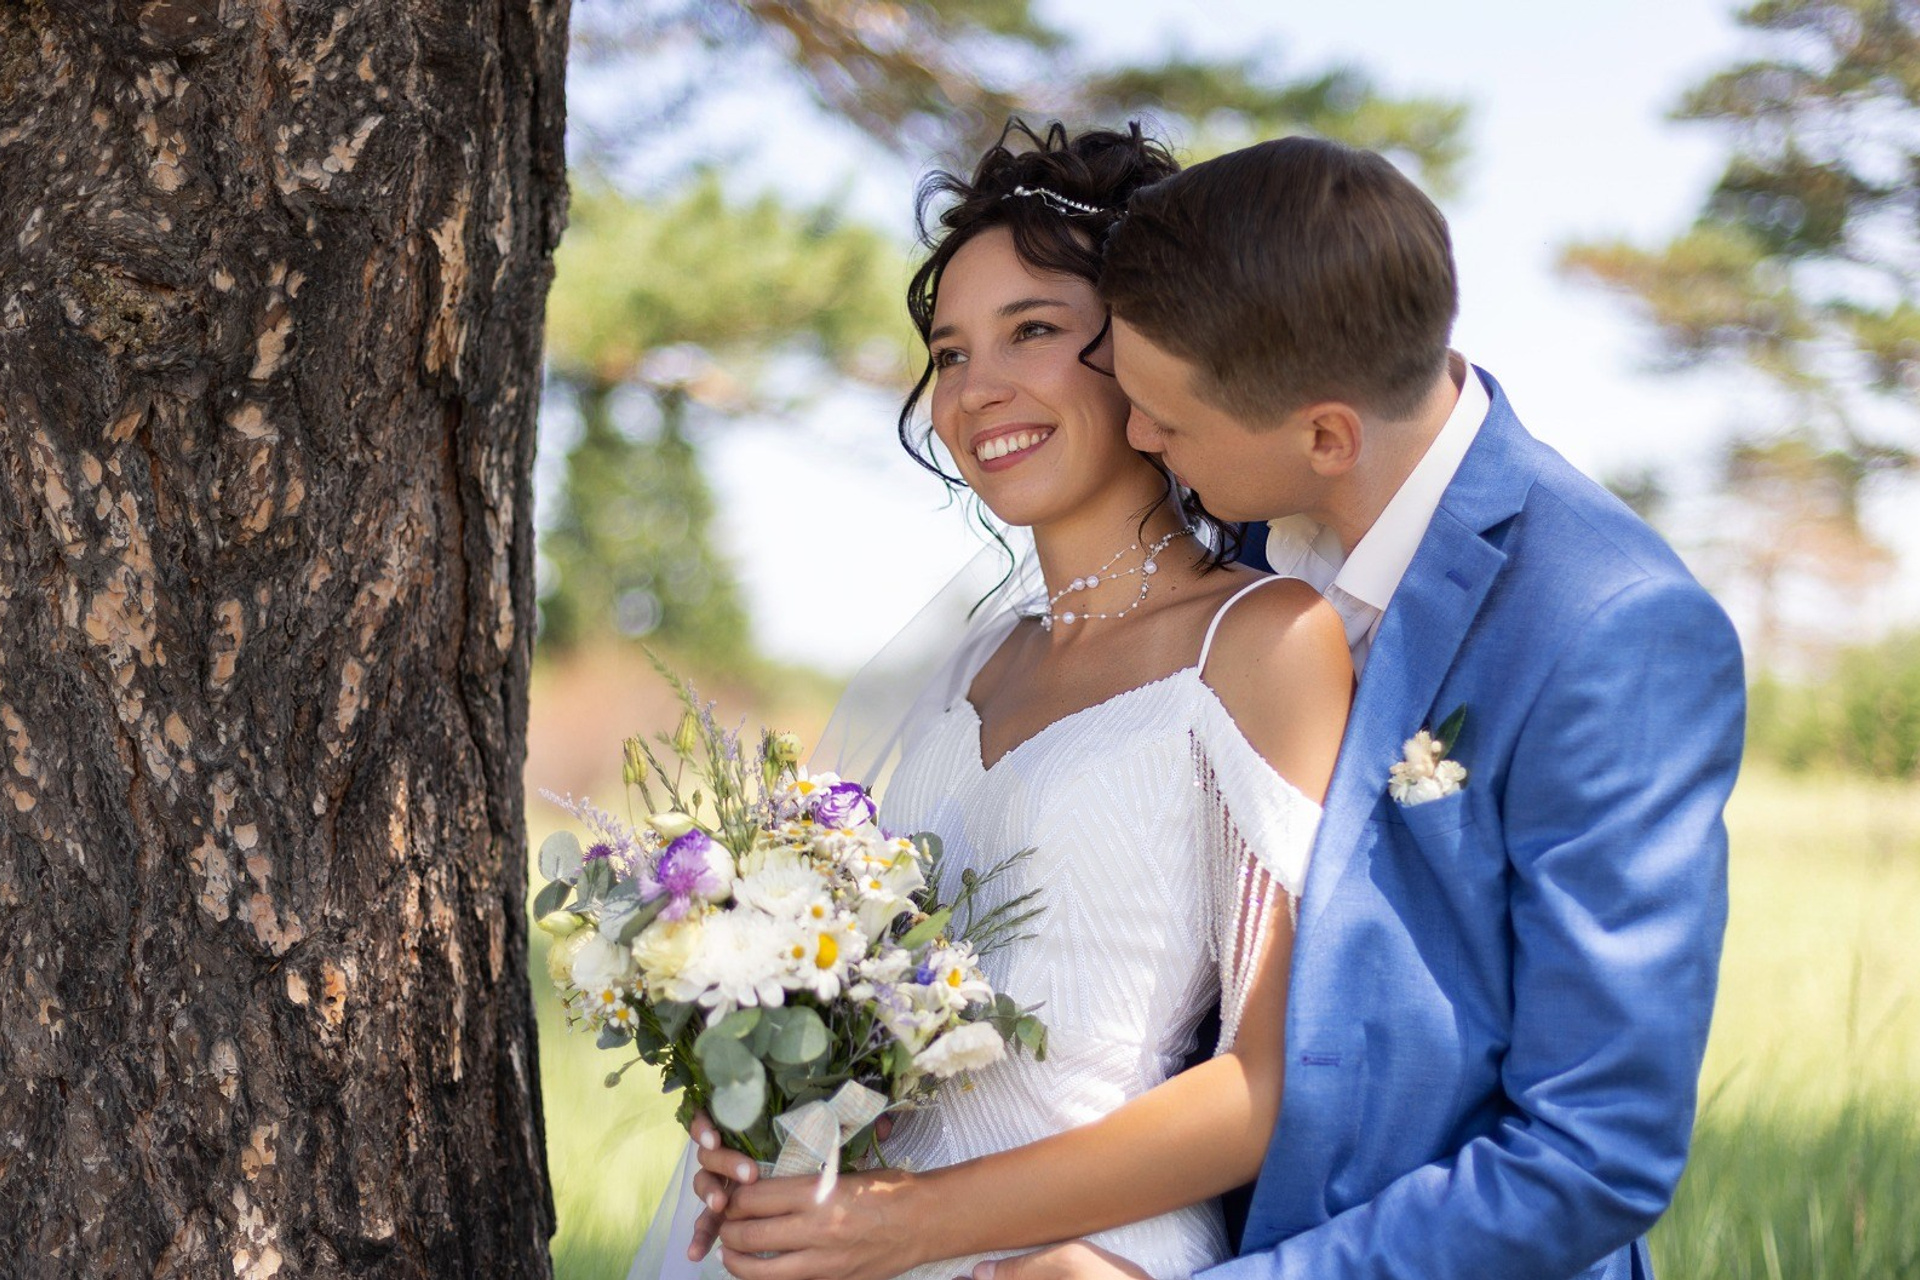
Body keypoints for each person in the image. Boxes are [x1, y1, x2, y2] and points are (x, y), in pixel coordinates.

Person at [703, 134, 1747, 1279]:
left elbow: (1593, 1153)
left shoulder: (1602, 623)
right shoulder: (1226, 503)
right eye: (951, 349)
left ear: (1323, 434)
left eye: (1164, 414)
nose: (1146, 436)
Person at [651, 120, 1354, 1280]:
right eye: (952, 350)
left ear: (1145, 349)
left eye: (1032, 330)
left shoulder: (1265, 640)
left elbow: (1264, 1085)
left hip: (1077, 1254)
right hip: (853, 1237)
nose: (980, 389)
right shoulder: (964, 661)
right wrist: (769, 1098)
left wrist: (919, 1224)